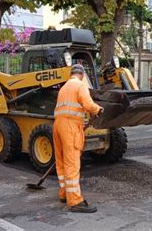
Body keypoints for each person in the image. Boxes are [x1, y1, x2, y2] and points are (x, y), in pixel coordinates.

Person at [53, 64, 103, 213]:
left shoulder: (64, 87)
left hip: (58, 125)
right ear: (82, 75)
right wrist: (98, 109)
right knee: (72, 163)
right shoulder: (80, 85)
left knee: (61, 161)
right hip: (70, 127)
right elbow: (87, 104)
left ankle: (64, 194)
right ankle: (74, 201)